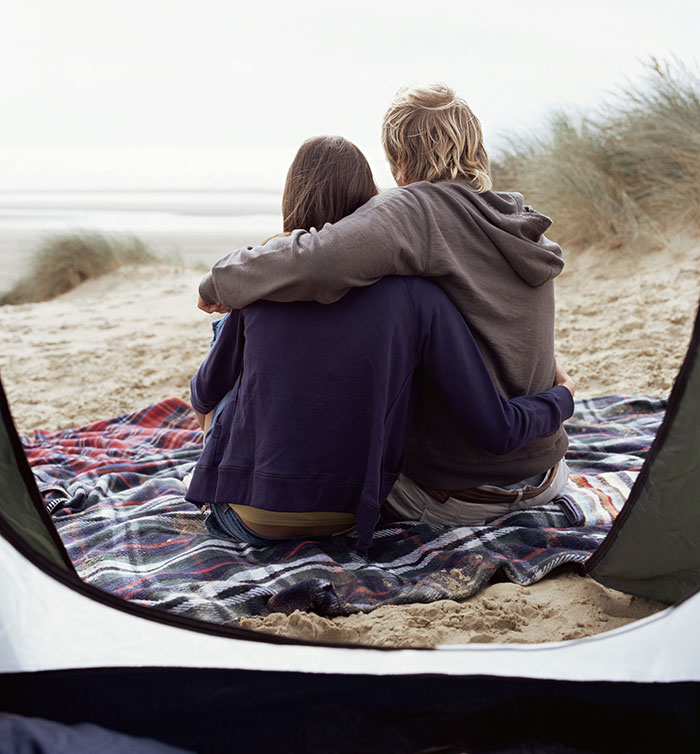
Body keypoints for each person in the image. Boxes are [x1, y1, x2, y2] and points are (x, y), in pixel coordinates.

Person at [196, 84, 570, 527]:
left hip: (457, 493)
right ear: (478, 148)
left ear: (399, 162)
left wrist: (218, 280)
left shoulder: (415, 211)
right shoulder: (517, 222)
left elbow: (318, 259)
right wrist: (562, 398)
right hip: (547, 474)